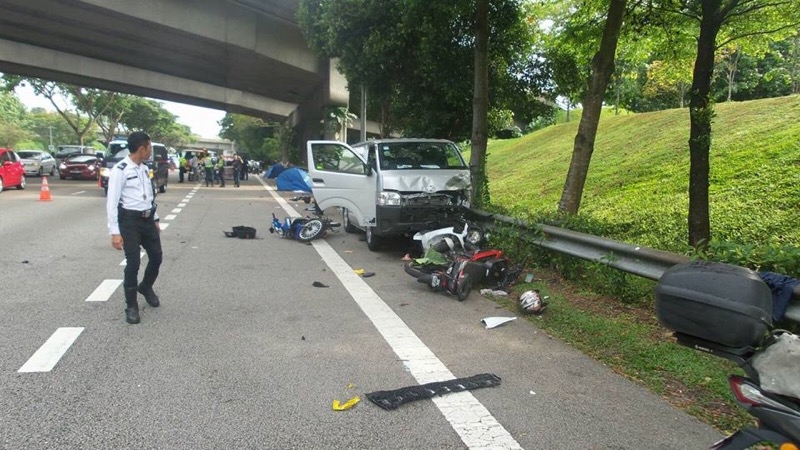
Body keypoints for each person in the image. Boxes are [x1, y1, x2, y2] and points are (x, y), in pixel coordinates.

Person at [106, 131, 162, 325]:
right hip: (129, 222)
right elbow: (112, 203)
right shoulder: (120, 170)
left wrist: (155, 217)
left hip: (147, 220)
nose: (150, 151)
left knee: (157, 257)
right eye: (150, 147)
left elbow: (149, 195)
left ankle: (146, 287)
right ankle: (131, 306)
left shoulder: (144, 169)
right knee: (133, 263)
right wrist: (115, 232)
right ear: (142, 148)